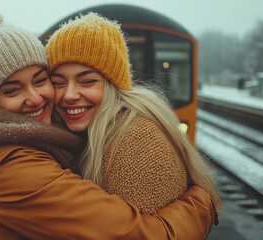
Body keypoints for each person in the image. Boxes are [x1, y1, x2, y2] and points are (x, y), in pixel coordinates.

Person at [0, 8, 217, 239]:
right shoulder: (11, 169)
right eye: (12, 90)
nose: (35, 98)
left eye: (41, 81)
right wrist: (202, 202)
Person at [46, 12, 221, 214]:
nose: (69, 95)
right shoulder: (95, 133)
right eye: (58, 83)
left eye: (87, 81)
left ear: (114, 85)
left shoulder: (136, 144)